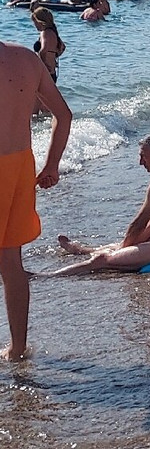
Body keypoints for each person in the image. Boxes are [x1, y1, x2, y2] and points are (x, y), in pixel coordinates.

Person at [0, 39, 71, 360]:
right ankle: (18, 347)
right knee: (11, 263)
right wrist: (52, 164)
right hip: (19, 166)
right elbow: (63, 115)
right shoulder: (27, 59)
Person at [54, 136, 150, 275]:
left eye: (144, 156)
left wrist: (125, 246)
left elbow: (139, 222)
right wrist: (131, 243)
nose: (140, 162)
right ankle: (83, 250)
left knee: (102, 260)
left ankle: (48, 276)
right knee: (124, 244)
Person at [31, 7, 65, 83]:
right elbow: (63, 47)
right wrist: (53, 58)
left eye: (34, 22)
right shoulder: (53, 32)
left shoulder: (45, 33)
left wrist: (42, 65)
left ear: (40, 21)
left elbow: (43, 50)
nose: (34, 25)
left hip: (46, 73)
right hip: (52, 72)